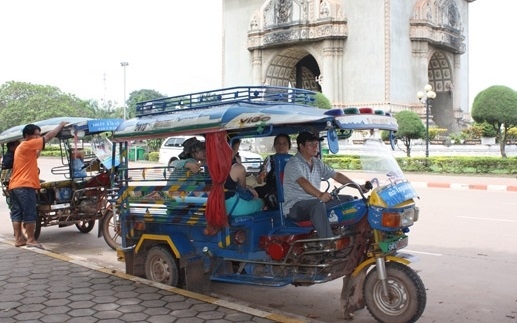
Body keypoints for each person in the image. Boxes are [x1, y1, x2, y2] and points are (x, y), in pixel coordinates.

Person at [282, 131, 368, 238]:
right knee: (318, 204)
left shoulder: (317, 162)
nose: (315, 147)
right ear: (301, 146)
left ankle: (349, 235)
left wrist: (358, 186)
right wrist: (320, 194)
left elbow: (336, 175)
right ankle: (328, 241)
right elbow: (303, 182)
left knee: (349, 199)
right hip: (295, 207)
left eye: (316, 144)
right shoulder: (293, 163)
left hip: (315, 202)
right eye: (311, 144)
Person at [9, 121, 68, 248]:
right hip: (25, 185)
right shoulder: (26, 145)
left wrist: (40, 144)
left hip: (15, 186)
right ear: (27, 135)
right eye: (36, 135)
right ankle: (31, 239)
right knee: (30, 213)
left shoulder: (23, 148)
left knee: (17, 213)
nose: (38, 137)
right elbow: (47, 138)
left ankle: (19, 239)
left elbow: (36, 153)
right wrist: (60, 125)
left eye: (39, 135)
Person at [225, 139, 264, 216]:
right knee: (261, 201)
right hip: (232, 208)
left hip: (215, 205)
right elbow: (242, 189)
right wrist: (240, 164)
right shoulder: (238, 168)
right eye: (237, 148)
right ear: (233, 149)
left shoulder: (210, 164)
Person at [254, 133, 291, 209]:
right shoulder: (269, 159)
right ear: (275, 146)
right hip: (271, 187)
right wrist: (263, 171)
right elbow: (259, 180)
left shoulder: (293, 160)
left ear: (289, 146)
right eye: (278, 143)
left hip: (289, 189)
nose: (281, 146)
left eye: (284, 143)